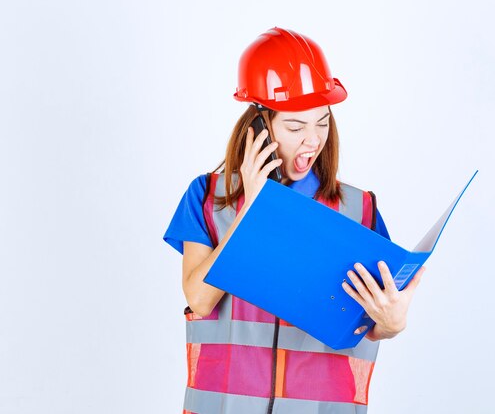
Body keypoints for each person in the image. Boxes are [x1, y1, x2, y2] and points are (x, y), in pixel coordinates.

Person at [163, 27, 425, 414]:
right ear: (260, 125)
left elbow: (372, 323)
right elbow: (199, 299)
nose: (313, 140)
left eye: (322, 122)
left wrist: (392, 323)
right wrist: (251, 209)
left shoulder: (359, 209)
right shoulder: (208, 198)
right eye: (295, 126)